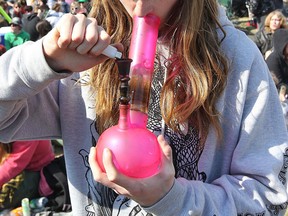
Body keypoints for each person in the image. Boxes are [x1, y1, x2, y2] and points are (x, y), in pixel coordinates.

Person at [0, 1, 288, 215]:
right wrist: (43, 61)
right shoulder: (81, 55)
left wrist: (171, 199)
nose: (138, 3)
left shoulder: (237, 58)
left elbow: (270, 196)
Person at [0, 140, 55, 211]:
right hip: (9, 163)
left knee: (4, 200)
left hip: (35, 170)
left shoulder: (27, 131)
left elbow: (14, 164)